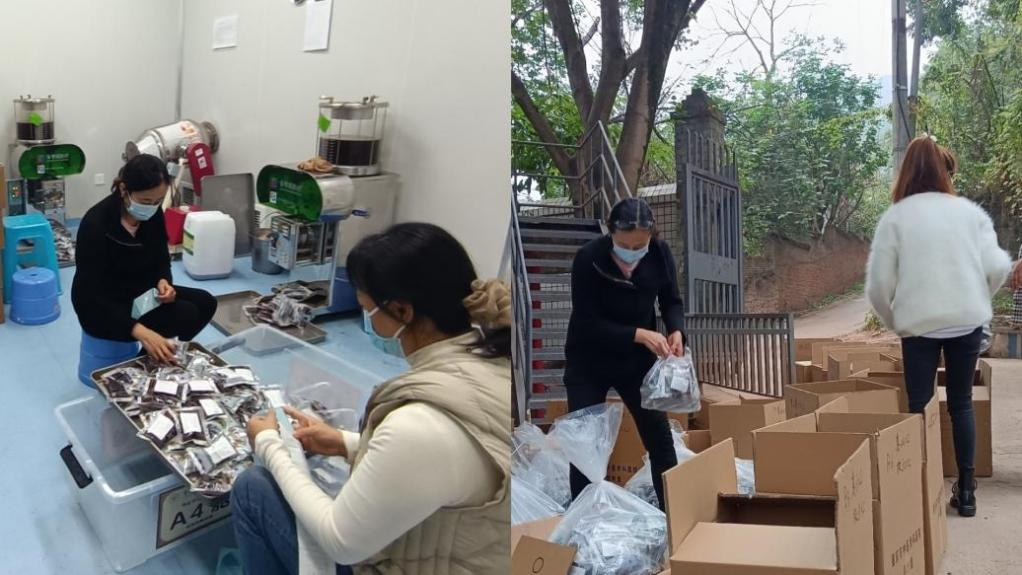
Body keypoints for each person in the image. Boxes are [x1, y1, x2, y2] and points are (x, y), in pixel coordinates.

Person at [232, 223, 511, 575]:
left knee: (252, 488)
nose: (367, 320)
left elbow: (340, 541)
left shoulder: (421, 424)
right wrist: (345, 443)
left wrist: (269, 445)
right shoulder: (494, 359)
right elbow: (439, 467)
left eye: (367, 308)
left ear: (402, 311)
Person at [866, 135, 1011, 517]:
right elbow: (999, 267)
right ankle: (967, 492)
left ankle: (919, 487)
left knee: (919, 406)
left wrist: (895, 321)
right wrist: (980, 297)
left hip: (918, 325)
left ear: (906, 172)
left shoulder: (896, 218)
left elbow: (878, 288)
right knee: (961, 404)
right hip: (965, 321)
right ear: (943, 170)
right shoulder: (969, 213)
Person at [562, 197, 685, 511]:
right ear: (610, 233)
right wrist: (639, 334)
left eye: (639, 246)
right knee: (585, 447)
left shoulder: (660, 253)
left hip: (636, 362)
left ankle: (675, 514)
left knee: (660, 440)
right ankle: (586, 522)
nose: (631, 253)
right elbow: (587, 322)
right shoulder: (588, 258)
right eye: (624, 245)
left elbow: (671, 300)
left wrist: (676, 330)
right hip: (588, 360)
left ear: (651, 237)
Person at [72, 154, 216, 362]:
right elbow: (89, 297)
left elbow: (161, 259)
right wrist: (141, 332)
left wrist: (164, 282)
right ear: (124, 190)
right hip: (102, 310)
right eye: (145, 201)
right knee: (185, 314)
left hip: (139, 296)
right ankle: (142, 364)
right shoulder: (96, 225)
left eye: (158, 201)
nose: (151, 207)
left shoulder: (152, 215)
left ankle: (152, 358)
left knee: (205, 302)